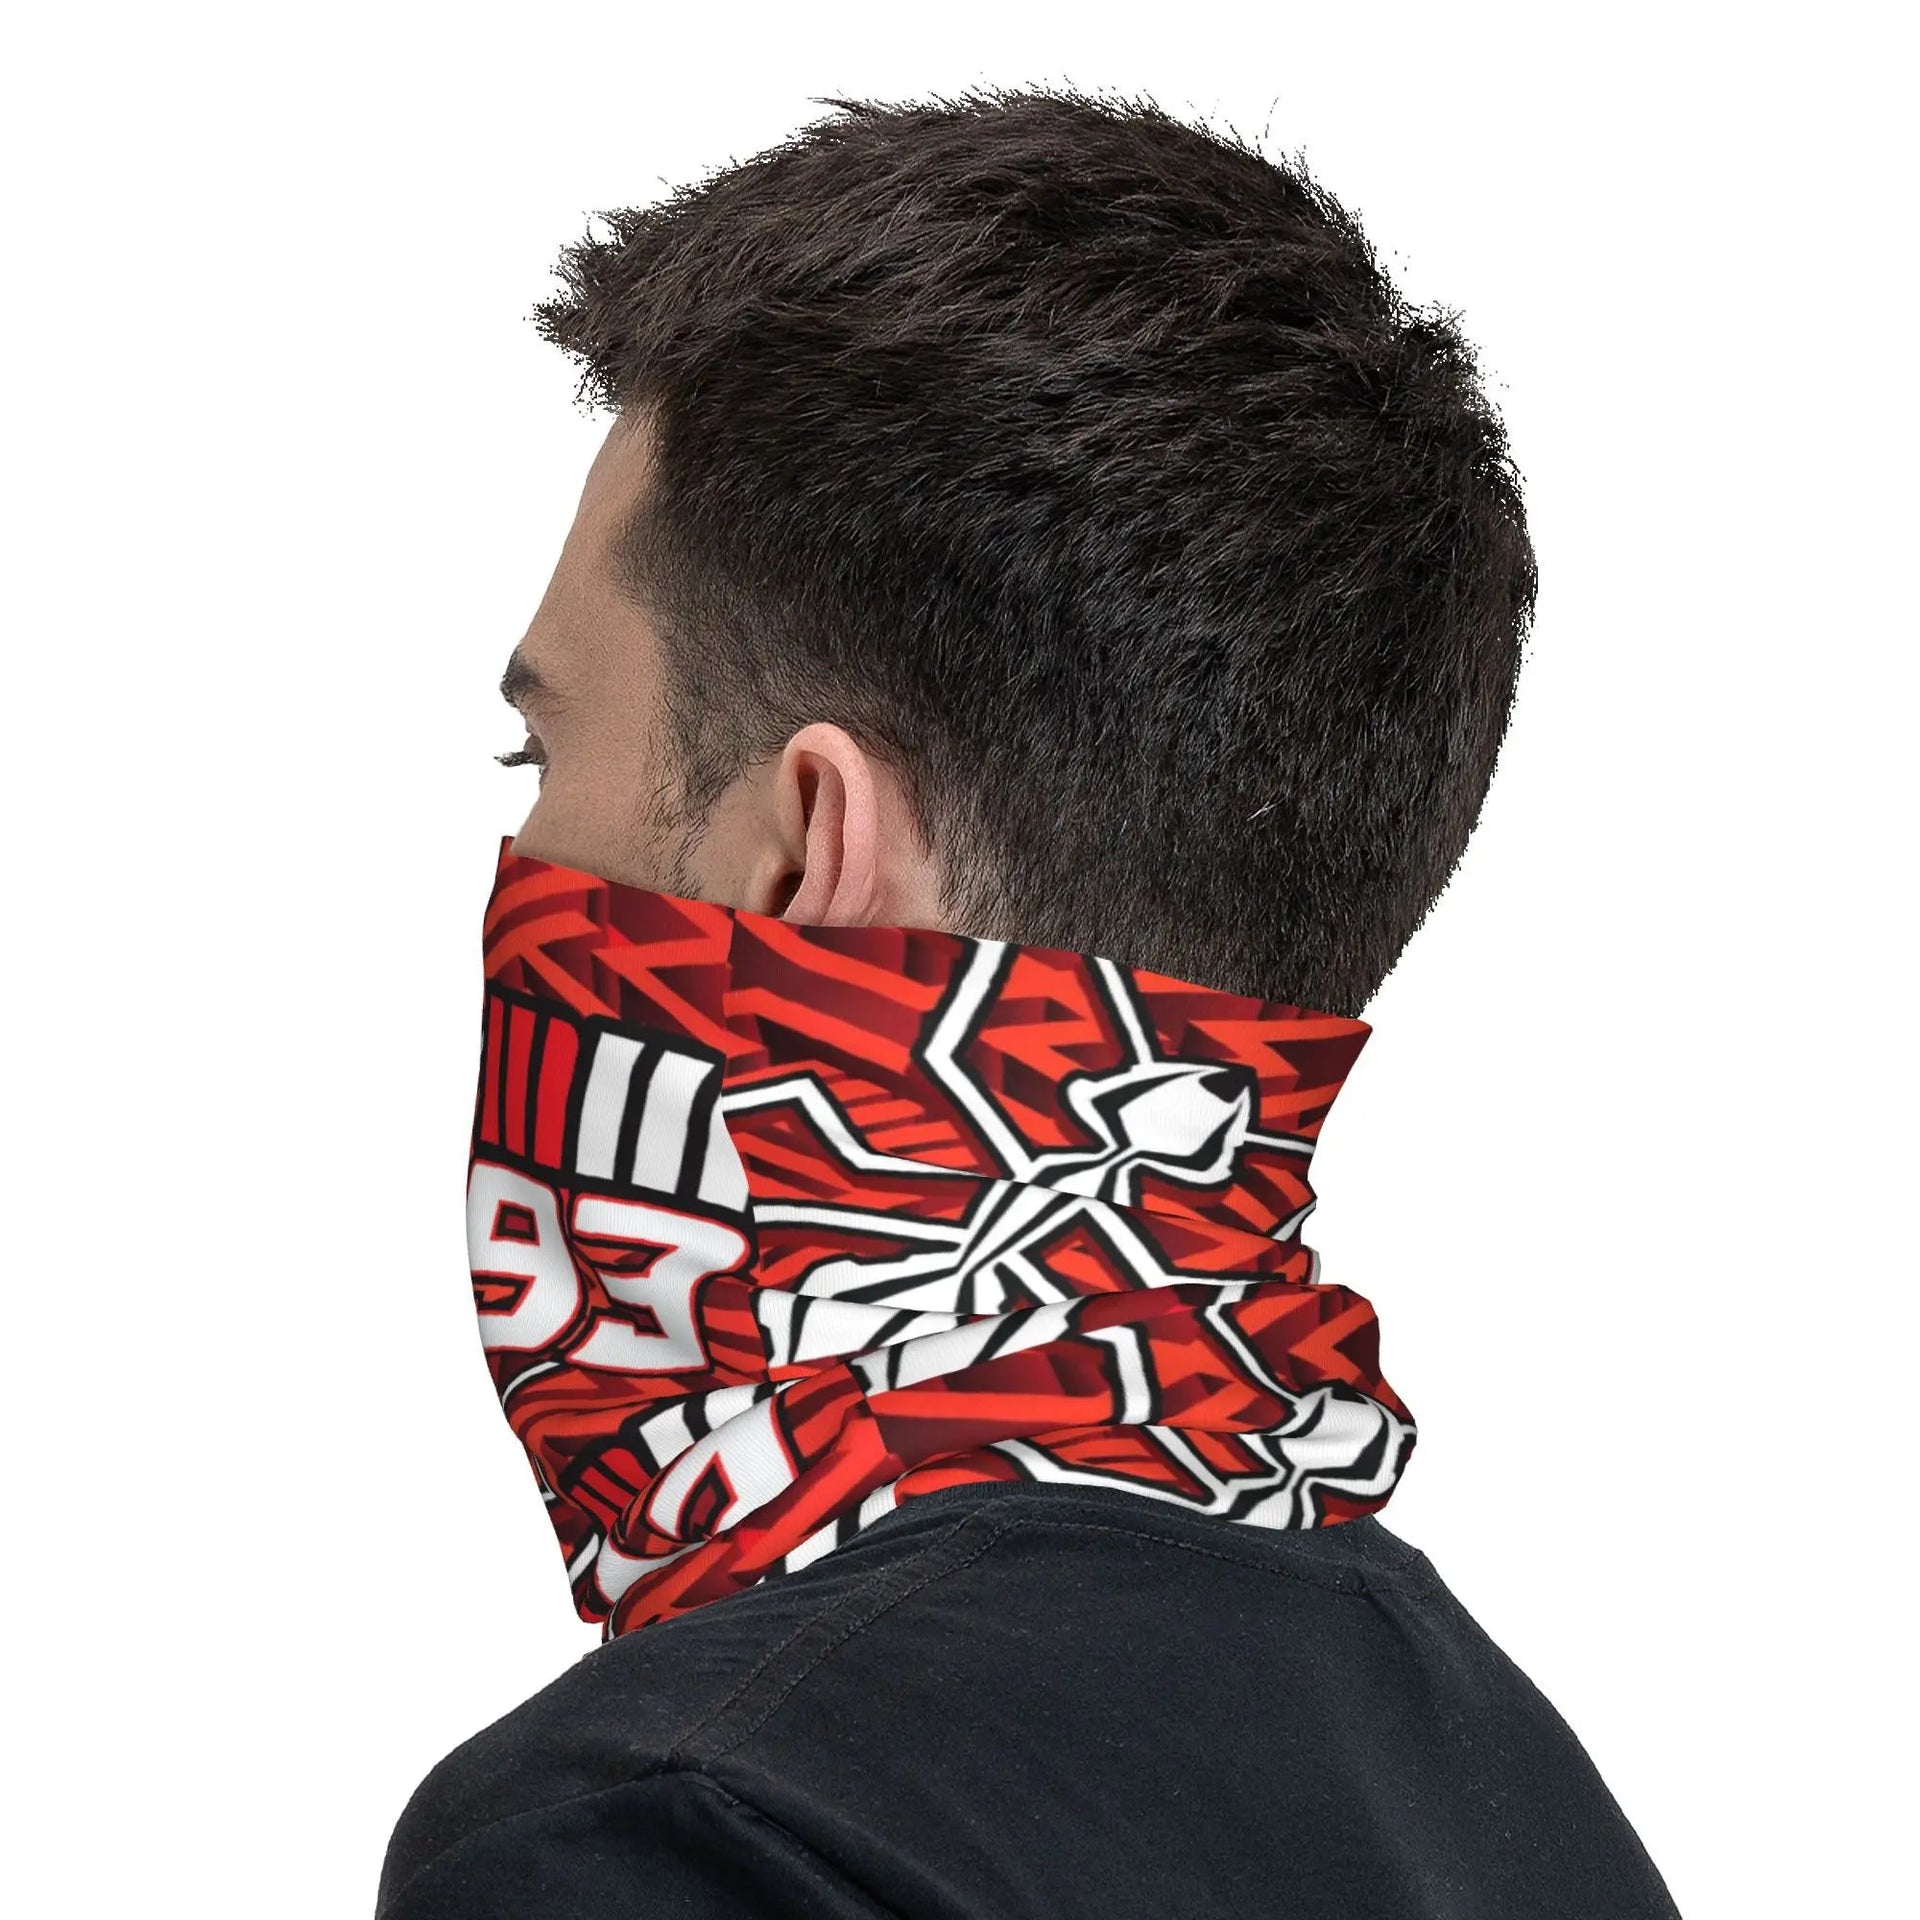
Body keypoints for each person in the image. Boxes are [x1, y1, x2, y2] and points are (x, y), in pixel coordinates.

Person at [376, 85, 1681, 1919]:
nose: (530, 846)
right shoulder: (1523, 1814)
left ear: (805, 848)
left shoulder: (692, 1829)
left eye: (540, 751)